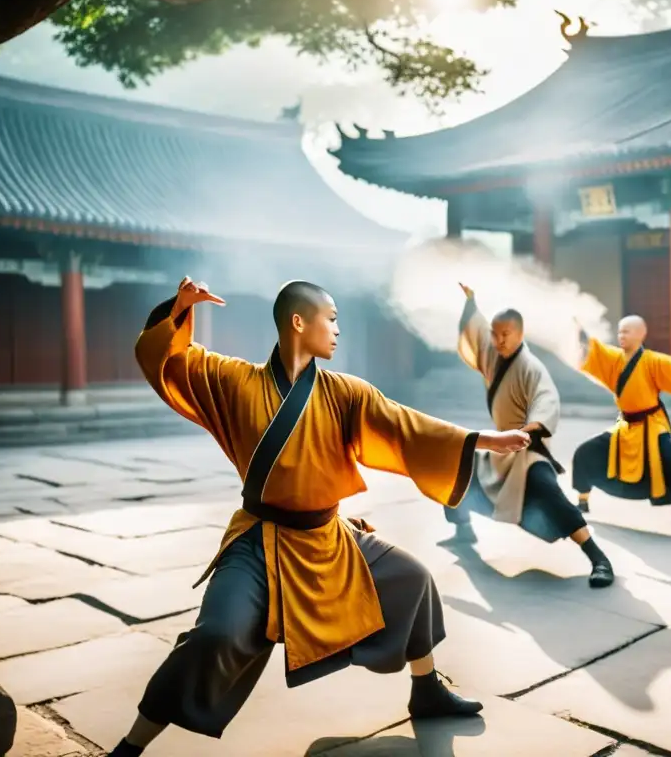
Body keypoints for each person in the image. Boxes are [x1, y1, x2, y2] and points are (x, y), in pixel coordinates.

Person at [108, 277, 531, 757]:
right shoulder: (233, 382)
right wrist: (180, 308)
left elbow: (404, 425)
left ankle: (427, 689)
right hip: (259, 543)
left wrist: (480, 439)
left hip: (327, 537)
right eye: (330, 319)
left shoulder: (344, 393)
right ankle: (132, 744)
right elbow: (168, 362)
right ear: (298, 322)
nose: (336, 330)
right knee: (217, 636)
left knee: (412, 579)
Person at [440, 284, 614, 588]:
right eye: (495, 334)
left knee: (550, 496)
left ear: (520, 333)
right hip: (499, 448)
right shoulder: (494, 356)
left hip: (526, 448)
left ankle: (599, 558)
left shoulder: (532, 368)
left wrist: (529, 428)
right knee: (455, 466)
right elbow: (478, 333)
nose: (497, 340)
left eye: (505, 334)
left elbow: (546, 402)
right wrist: (471, 303)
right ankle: (461, 526)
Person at [571, 315, 671, 531]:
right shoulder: (615, 358)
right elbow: (595, 351)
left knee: (670, 457)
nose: (622, 336)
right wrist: (582, 335)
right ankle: (582, 501)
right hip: (625, 425)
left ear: (642, 334)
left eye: (627, 332)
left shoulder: (653, 361)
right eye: (620, 331)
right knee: (587, 451)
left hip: (651, 423)